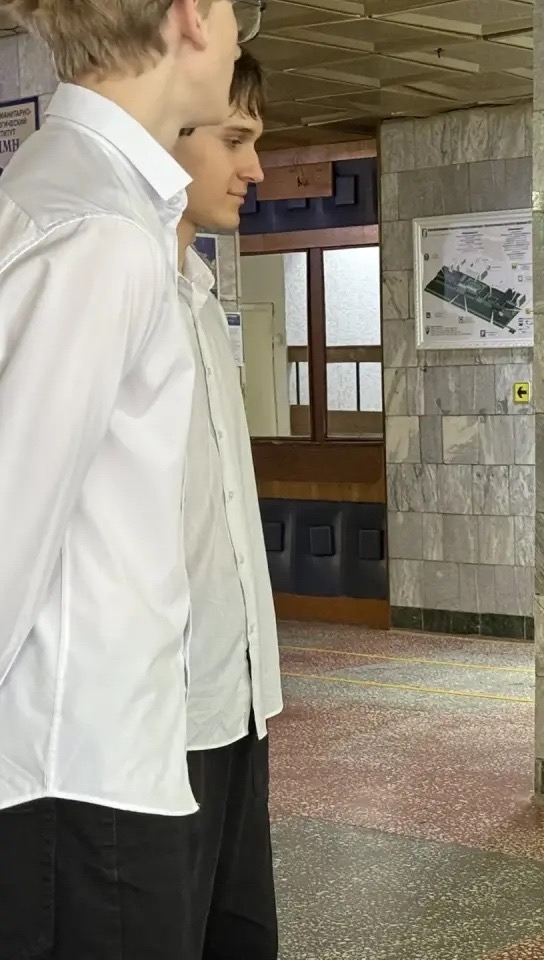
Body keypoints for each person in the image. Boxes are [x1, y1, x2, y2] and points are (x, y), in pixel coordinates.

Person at [0, 1, 251, 957]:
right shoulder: (98, 230)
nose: (238, 33)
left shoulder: (85, 195)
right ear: (189, 18)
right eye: (233, 9)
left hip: (91, 778)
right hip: (78, 784)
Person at [171, 51, 282, 960]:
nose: (257, 168)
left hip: (237, 701)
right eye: (235, 139)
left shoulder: (201, 300)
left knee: (240, 937)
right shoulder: (108, 293)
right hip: (153, 722)